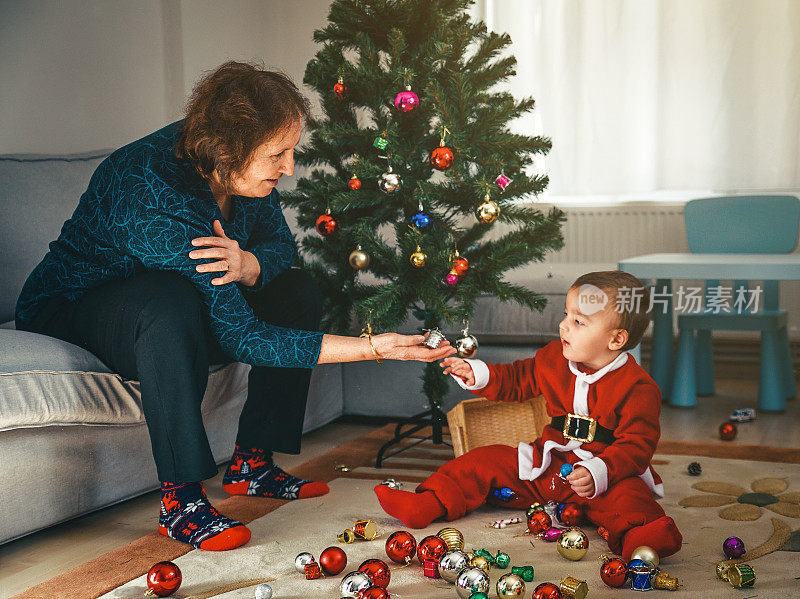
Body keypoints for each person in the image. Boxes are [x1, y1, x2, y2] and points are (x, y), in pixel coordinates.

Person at [15, 61, 455, 552]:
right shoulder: (149, 189)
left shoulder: (240, 172)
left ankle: (252, 464)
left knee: (295, 290)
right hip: (74, 306)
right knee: (170, 299)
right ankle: (181, 500)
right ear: (225, 153)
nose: (289, 168)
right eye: (278, 154)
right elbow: (243, 335)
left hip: (172, 299)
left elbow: (280, 252)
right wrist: (376, 347)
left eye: (290, 150)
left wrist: (248, 265)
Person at [374, 271, 683, 561]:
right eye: (566, 314)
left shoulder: (639, 388)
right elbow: (516, 379)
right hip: (549, 466)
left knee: (630, 499)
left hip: (608, 478)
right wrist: (478, 374)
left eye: (579, 322)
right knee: (485, 461)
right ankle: (429, 501)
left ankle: (639, 538)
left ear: (615, 340)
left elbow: (636, 447)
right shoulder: (553, 358)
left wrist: (599, 472)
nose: (563, 326)